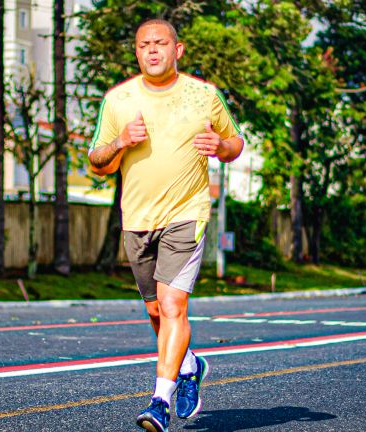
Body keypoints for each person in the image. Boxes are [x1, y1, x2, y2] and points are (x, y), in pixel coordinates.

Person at [88, 18, 244, 432]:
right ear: (136, 52)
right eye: (143, 45)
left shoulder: (204, 96)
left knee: (173, 306)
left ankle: (160, 401)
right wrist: (120, 142)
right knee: (156, 310)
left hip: (187, 214)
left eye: (160, 43)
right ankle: (190, 365)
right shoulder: (119, 100)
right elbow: (97, 160)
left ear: (178, 49)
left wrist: (221, 147)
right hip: (137, 219)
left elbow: (235, 143)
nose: (152, 50)